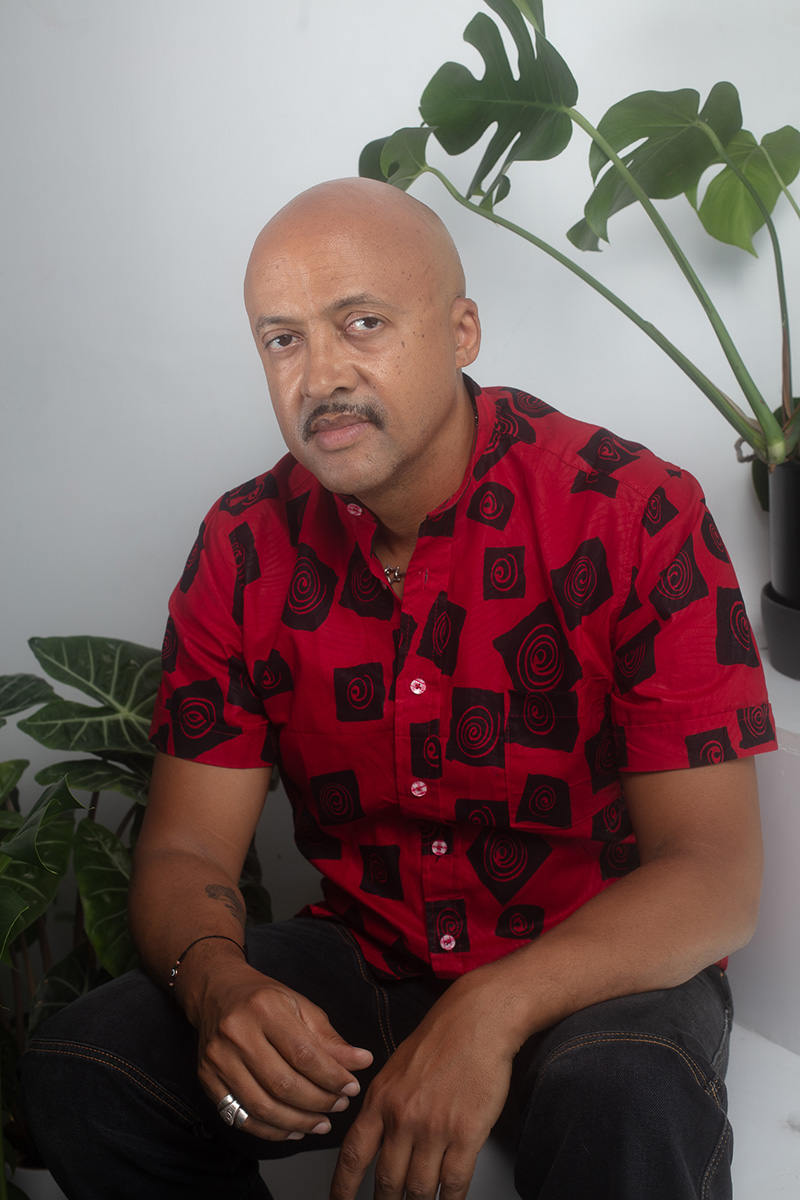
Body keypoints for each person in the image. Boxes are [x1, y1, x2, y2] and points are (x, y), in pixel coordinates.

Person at [21, 178, 777, 1200]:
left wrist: (491, 1008)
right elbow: (187, 848)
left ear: (461, 331)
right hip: (371, 960)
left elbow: (714, 874)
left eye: (361, 324)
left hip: (598, 970)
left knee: (625, 1099)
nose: (320, 374)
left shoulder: (630, 513)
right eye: (281, 340)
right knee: (87, 1068)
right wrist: (219, 985)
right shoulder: (243, 548)